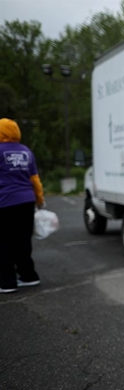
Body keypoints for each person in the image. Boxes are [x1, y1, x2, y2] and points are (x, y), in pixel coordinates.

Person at [0, 118, 45, 293]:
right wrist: (39, 200)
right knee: (22, 240)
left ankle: (7, 282)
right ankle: (28, 276)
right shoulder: (26, 151)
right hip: (26, 201)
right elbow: (35, 180)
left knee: (3, 242)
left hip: (4, 202)